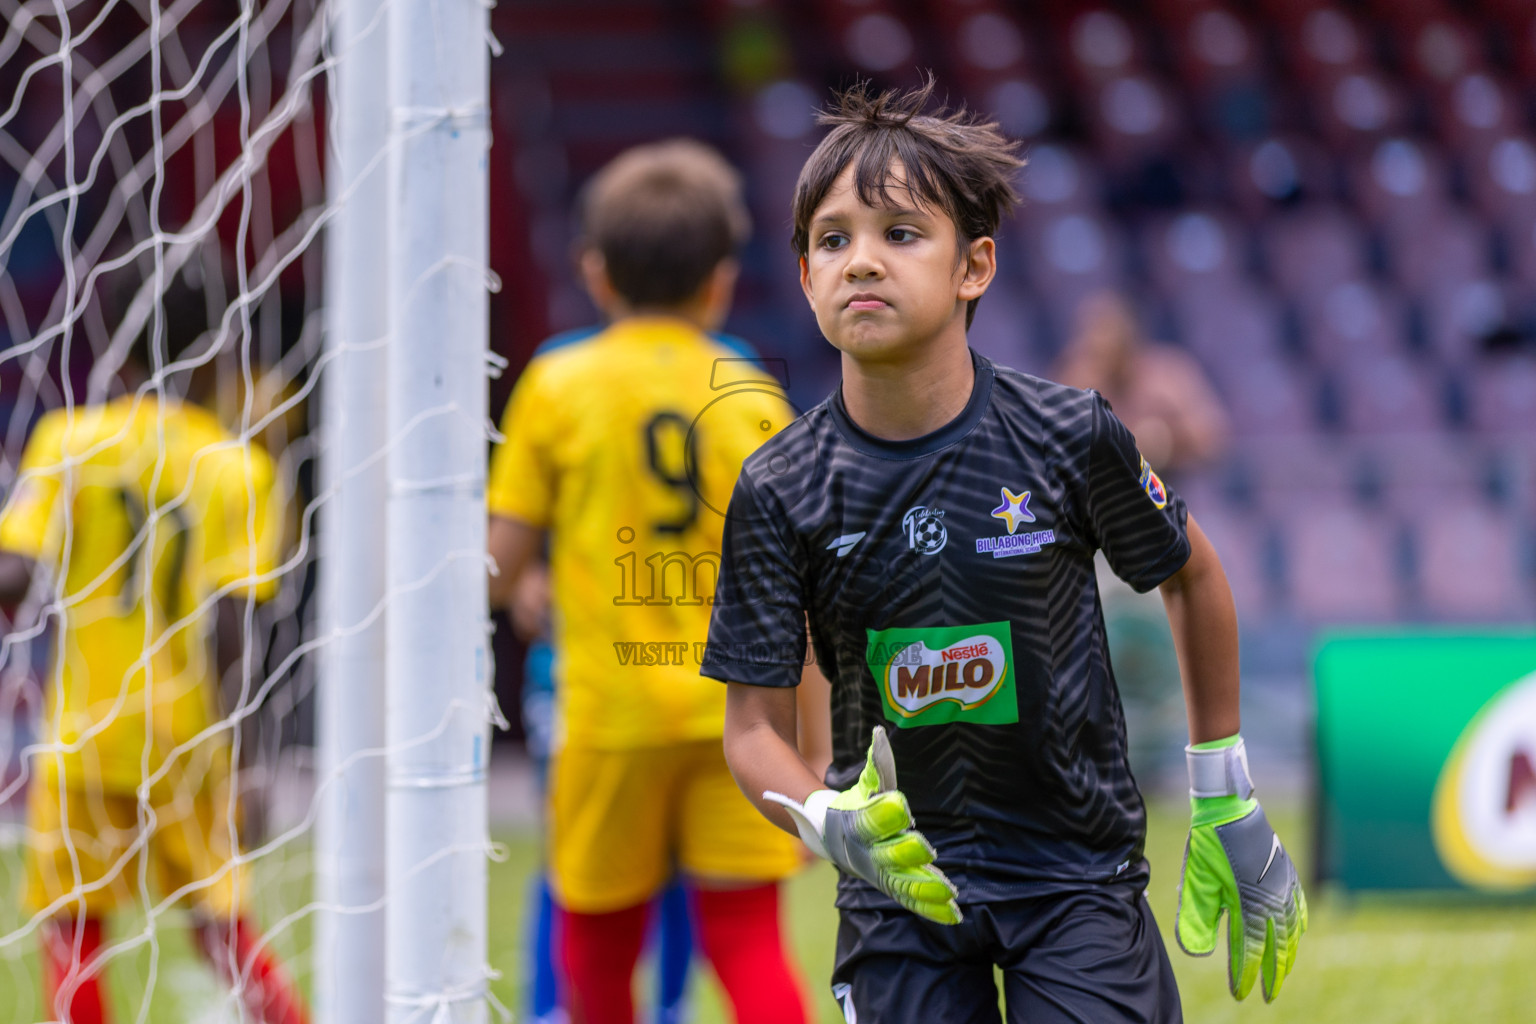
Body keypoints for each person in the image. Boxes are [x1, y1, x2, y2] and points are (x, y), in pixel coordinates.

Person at [705, 79, 1307, 1023]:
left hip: (1077, 878)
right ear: (805, 278)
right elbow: (752, 729)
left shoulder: (1067, 433)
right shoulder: (779, 485)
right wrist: (829, 823)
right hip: (898, 894)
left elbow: (1191, 573)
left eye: (899, 234)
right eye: (833, 240)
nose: (861, 261)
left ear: (973, 267)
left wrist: (1223, 788)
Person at [486, 139, 815, 1024]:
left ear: (595, 273)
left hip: (610, 715)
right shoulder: (751, 390)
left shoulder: (559, 382)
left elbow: (497, 568)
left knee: (595, 952)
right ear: (719, 279)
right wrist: (815, 756)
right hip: (739, 721)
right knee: (748, 944)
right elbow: (801, 594)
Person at [0, 282, 307, 1024]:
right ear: (219, 357)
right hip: (185, 735)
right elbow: (236, 629)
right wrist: (250, 761)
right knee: (219, 926)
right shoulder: (238, 467)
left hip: (84, 732)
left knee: (74, 930)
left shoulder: (68, 442)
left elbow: (14, 577)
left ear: (116, 346)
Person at [1052, 292, 1232, 791]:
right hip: (1094, 543)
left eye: (1109, 338)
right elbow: (1045, 455)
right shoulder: (1075, 377)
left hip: (1162, 536)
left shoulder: (1167, 377)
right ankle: (1096, 767)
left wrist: (1166, 441)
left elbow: (1213, 437)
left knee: (1162, 662)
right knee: (1091, 655)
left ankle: (1166, 767)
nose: (1100, 348)